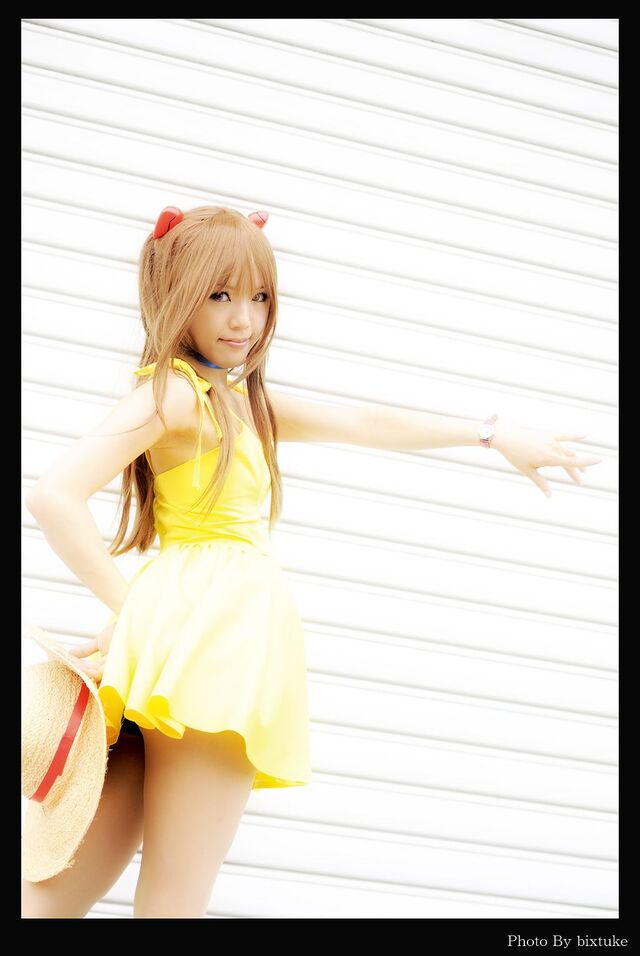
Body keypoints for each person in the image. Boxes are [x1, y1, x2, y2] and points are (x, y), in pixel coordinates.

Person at [22, 204, 603, 918]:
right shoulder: (175, 393)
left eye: (260, 296)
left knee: (50, 900)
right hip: (212, 644)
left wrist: (490, 431)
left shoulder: (234, 401)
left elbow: (364, 422)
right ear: (177, 296)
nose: (244, 318)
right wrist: (137, 612)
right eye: (220, 294)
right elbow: (54, 495)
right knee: (173, 901)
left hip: (189, 638)